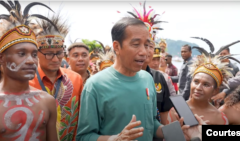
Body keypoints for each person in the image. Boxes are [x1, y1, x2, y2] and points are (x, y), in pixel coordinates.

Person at [76, 17, 202, 141]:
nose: (144, 52)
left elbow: (151, 125)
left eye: (147, 45)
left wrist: (174, 132)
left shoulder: (147, 79)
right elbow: (84, 136)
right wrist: (116, 139)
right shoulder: (95, 85)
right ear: (117, 47)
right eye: (136, 44)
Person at [0, 0, 58, 140]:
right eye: (21, 54)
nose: (31, 60)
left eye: (34, 54)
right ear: (2, 59)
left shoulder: (47, 101)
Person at [29, 13, 83, 141]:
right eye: (49, 54)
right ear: (37, 53)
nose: (55, 59)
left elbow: (81, 118)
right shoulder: (27, 81)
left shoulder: (76, 79)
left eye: (59, 53)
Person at [167, 51, 235, 125]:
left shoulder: (220, 118)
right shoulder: (177, 111)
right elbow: (170, 136)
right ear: (191, 83)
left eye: (206, 84)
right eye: (196, 82)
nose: (198, 88)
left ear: (215, 91)